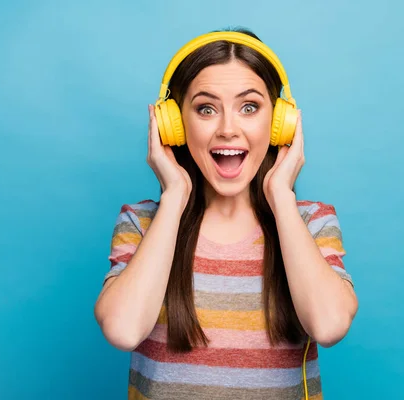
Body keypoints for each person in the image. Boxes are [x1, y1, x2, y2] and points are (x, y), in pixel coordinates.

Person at [94, 27, 358, 400]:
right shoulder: (142, 224)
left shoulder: (311, 222)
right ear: (173, 124)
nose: (228, 129)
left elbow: (329, 325)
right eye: (206, 108)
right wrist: (174, 195)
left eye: (249, 107)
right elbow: (122, 330)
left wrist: (281, 195)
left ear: (282, 122)